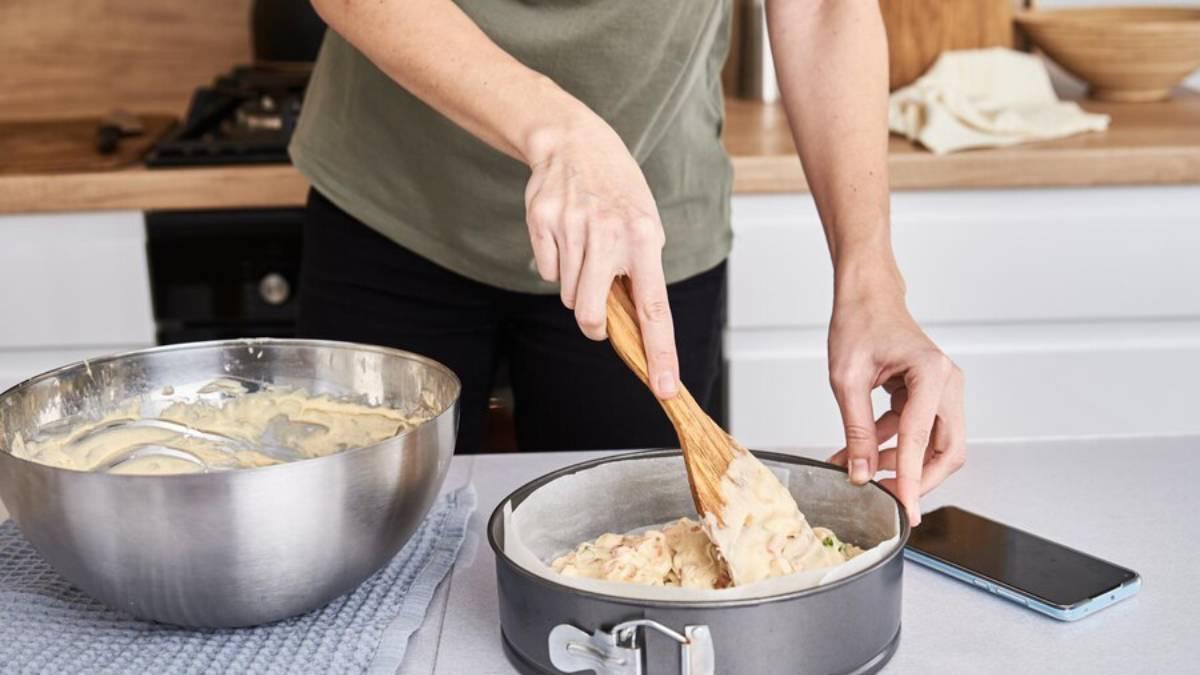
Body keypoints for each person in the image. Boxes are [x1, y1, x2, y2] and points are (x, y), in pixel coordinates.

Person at [290, 0, 965, 525]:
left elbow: (821, 8)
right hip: (392, 201)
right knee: (362, 551)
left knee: (644, 561)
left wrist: (869, 273)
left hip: (645, 238)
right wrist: (562, 131)